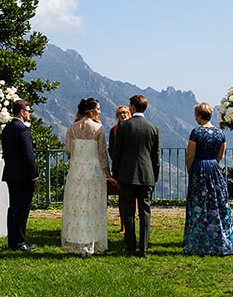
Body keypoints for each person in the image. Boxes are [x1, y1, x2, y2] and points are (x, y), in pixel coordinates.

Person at [61, 98, 118, 257]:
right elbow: (102, 154)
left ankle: (77, 242)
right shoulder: (98, 128)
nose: (99, 111)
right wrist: (107, 173)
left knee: (77, 205)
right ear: (91, 110)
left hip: (77, 171)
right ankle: (90, 243)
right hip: (93, 171)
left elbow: (68, 150)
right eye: (98, 109)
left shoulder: (72, 127)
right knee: (91, 206)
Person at [183, 102, 233, 256]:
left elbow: (190, 155)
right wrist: (213, 164)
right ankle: (221, 240)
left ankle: (198, 241)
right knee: (217, 203)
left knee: (199, 203)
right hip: (214, 168)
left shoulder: (196, 132)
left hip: (199, 168)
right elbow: (220, 155)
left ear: (198, 116)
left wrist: (190, 168)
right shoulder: (220, 133)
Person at [112, 94, 160, 258]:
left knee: (129, 212)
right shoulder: (153, 128)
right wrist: (155, 176)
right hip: (147, 175)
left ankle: (131, 247)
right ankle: (144, 249)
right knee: (145, 212)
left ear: (132, 107)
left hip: (127, 175)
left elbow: (117, 152)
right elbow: (156, 156)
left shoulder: (124, 127)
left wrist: (116, 173)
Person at [1, 99, 40, 253]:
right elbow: (29, 155)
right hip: (24, 176)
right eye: (28, 111)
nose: (29, 114)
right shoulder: (23, 129)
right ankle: (19, 242)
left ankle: (12, 241)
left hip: (10, 173)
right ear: (22, 112)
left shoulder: (7, 128)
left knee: (13, 208)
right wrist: (34, 175)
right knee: (22, 210)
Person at [108, 105, 131, 232]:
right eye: (120, 113)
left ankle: (130, 224)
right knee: (122, 198)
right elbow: (111, 150)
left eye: (125, 113)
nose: (123, 115)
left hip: (132, 168)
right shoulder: (114, 130)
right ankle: (123, 225)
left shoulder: (133, 128)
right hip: (120, 168)